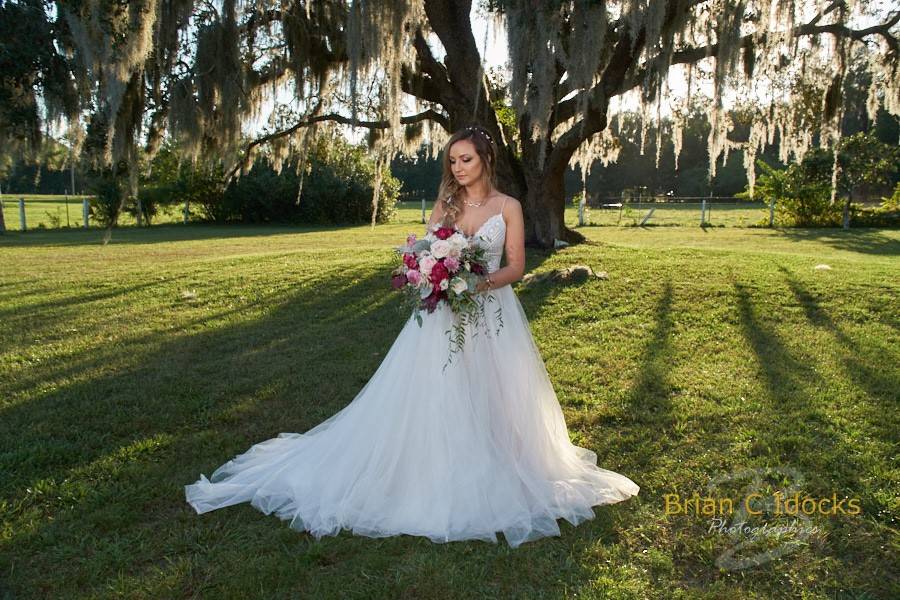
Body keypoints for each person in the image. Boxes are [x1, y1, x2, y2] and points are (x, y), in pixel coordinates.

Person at [185, 125, 639, 548]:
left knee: (499, 390)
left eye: (465, 159)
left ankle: (502, 461)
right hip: (443, 312)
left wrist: (475, 284)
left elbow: (516, 266)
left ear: (485, 159)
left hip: (491, 309)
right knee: (436, 389)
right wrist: (435, 276)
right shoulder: (447, 205)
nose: (458, 168)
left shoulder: (508, 207)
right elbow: (429, 253)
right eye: (452, 161)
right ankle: (433, 469)